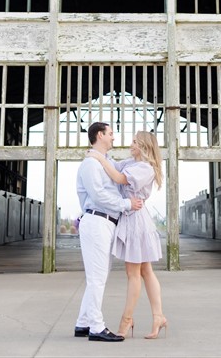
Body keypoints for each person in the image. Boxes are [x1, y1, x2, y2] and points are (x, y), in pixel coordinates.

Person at [87, 130, 168, 340]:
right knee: (145, 271)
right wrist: (102, 156)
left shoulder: (145, 168)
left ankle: (127, 319)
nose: (130, 144)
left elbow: (119, 178)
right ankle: (158, 316)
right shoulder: (133, 162)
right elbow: (114, 166)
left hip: (136, 221)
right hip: (133, 217)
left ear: (143, 146)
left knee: (134, 273)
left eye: (134, 142)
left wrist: (97, 158)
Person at [74, 122, 144, 343]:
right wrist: (126, 204)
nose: (114, 137)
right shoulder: (90, 165)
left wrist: (146, 152)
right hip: (96, 220)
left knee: (98, 276)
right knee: (97, 278)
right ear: (100, 135)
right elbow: (98, 196)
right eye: (111, 134)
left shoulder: (106, 162)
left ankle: (83, 323)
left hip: (105, 223)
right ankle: (96, 327)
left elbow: (126, 167)